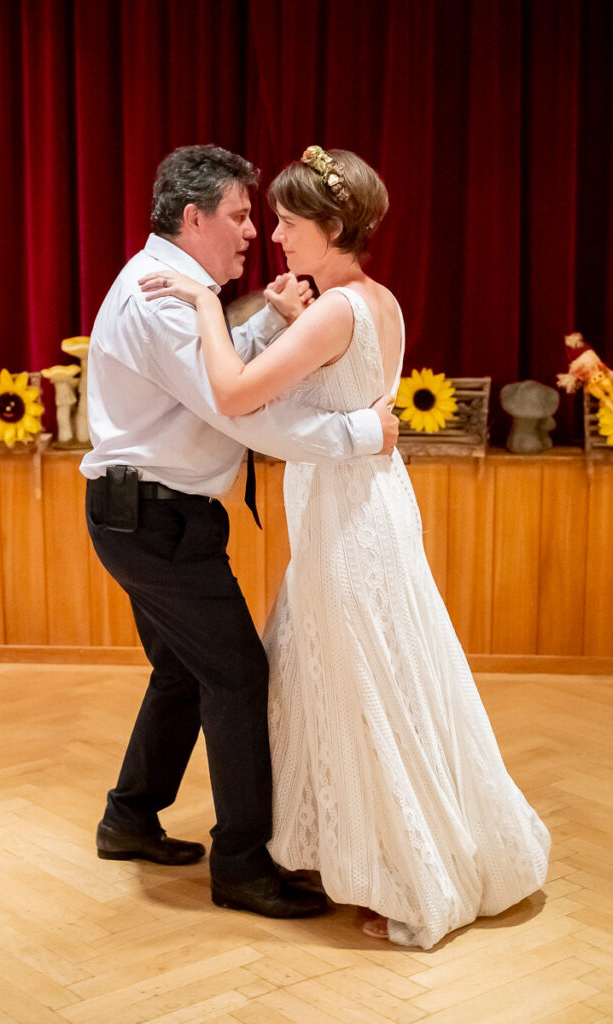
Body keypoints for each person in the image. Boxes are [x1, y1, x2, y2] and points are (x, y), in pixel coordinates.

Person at [140, 145, 551, 949]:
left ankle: (409, 870)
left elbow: (230, 393)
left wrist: (201, 305)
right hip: (364, 503)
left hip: (345, 516)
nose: (276, 237)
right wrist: (284, 318)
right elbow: (335, 387)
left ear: (332, 227)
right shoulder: (376, 301)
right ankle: (354, 851)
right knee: (364, 668)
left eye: (290, 224)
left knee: (363, 677)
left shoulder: (334, 310)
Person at [80, 144, 400, 921]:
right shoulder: (164, 296)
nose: (254, 231)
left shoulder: (178, 287)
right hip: (153, 520)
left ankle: (129, 818)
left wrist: (263, 327)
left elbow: (215, 377)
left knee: (185, 672)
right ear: (193, 219)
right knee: (237, 676)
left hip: (153, 515)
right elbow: (234, 406)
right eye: (236, 215)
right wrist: (363, 433)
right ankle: (242, 865)